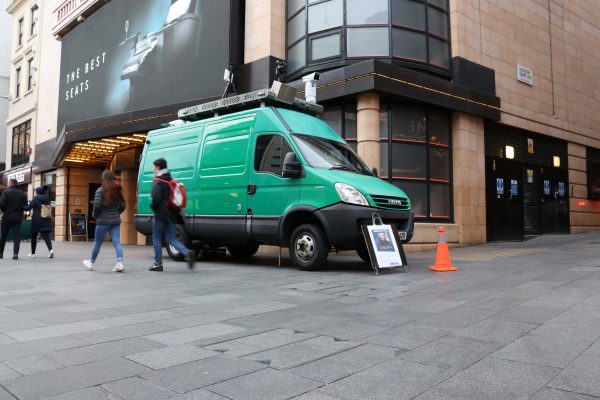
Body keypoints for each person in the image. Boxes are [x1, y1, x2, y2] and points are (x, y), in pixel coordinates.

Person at [150, 158, 195, 271]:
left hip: (160, 214)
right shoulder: (170, 180)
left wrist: (153, 207)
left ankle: (158, 264)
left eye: (154, 167)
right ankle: (187, 252)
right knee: (171, 238)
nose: (153, 169)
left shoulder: (158, 181)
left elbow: (156, 199)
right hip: (172, 214)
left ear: (158, 168)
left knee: (156, 238)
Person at [83, 170, 126, 272]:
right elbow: (122, 205)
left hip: (102, 221)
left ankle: (91, 263)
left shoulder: (100, 190)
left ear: (104, 179)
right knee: (116, 242)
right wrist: (116, 213)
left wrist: (95, 215)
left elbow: (97, 205)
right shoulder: (117, 190)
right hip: (115, 221)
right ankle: (120, 263)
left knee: (98, 242)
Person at [0, 179, 27, 260]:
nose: (7, 184)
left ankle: (0, 254)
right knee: (16, 237)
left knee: (3, 236)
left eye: (8, 183)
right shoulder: (22, 194)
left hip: (7, 217)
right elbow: (25, 205)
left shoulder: (6, 192)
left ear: (11, 183)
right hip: (17, 218)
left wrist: (4, 210)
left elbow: (1, 204)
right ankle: (15, 254)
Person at [24, 185, 54, 258]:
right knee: (46, 236)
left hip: (37, 220)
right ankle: (51, 250)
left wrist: (22, 205)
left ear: (37, 192)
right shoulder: (47, 199)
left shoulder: (35, 199)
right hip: (46, 219)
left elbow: (28, 208)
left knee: (34, 237)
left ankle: (33, 253)